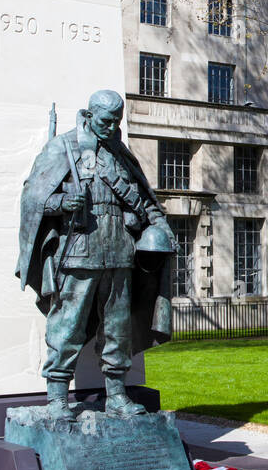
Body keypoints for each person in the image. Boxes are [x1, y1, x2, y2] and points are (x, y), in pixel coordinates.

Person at [16, 90, 175, 420]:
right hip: (80, 252)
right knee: (68, 327)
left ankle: (117, 395)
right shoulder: (63, 147)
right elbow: (32, 200)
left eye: (117, 121)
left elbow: (144, 202)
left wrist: (160, 224)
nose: (112, 126)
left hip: (120, 252)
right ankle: (58, 398)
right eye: (106, 120)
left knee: (118, 330)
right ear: (89, 116)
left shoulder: (120, 154)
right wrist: (61, 203)